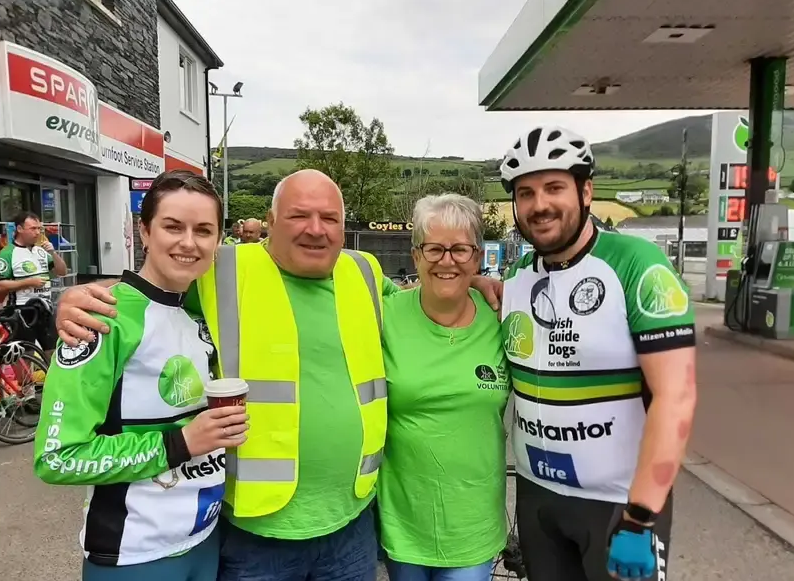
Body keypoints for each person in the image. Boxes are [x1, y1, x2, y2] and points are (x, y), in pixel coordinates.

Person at [53, 169, 503, 581]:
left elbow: (431, 292)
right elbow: (157, 287)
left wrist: (477, 282)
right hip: (256, 533)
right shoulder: (222, 269)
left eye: (329, 217)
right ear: (269, 221)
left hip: (351, 523)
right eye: (299, 215)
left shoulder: (364, 272)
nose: (315, 228)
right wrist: (86, 297)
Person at [493, 126, 698, 581]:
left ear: (586, 191)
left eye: (554, 187)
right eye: (525, 193)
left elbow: (676, 397)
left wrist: (642, 513)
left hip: (618, 504)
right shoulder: (519, 276)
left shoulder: (637, 264)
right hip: (537, 498)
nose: (539, 204)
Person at [33, 170, 250, 581]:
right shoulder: (101, 317)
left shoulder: (205, 309)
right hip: (134, 557)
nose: (189, 242)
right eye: (173, 227)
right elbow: (57, 458)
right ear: (144, 232)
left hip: (205, 542)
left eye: (204, 230)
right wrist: (180, 443)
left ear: (219, 241)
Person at [378, 194, 510, 581]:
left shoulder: (503, 314)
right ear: (416, 255)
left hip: (473, 523)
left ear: (477, 255)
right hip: (404, 519)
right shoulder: (383, 315)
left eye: (460, 250)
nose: (447, 260)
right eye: (434, 249)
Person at [0, 211, 68, 354]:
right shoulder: (8, 253)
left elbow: (62, 271)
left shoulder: (41, 251)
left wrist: (53, 253)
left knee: (53, 351)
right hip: (22, 310)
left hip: (45, 309)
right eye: (33, 229)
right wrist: (28, 282)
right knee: (25, 354)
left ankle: (49, 376)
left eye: (39, 228)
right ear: (20, 229)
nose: (37, 232)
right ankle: (26, 377)